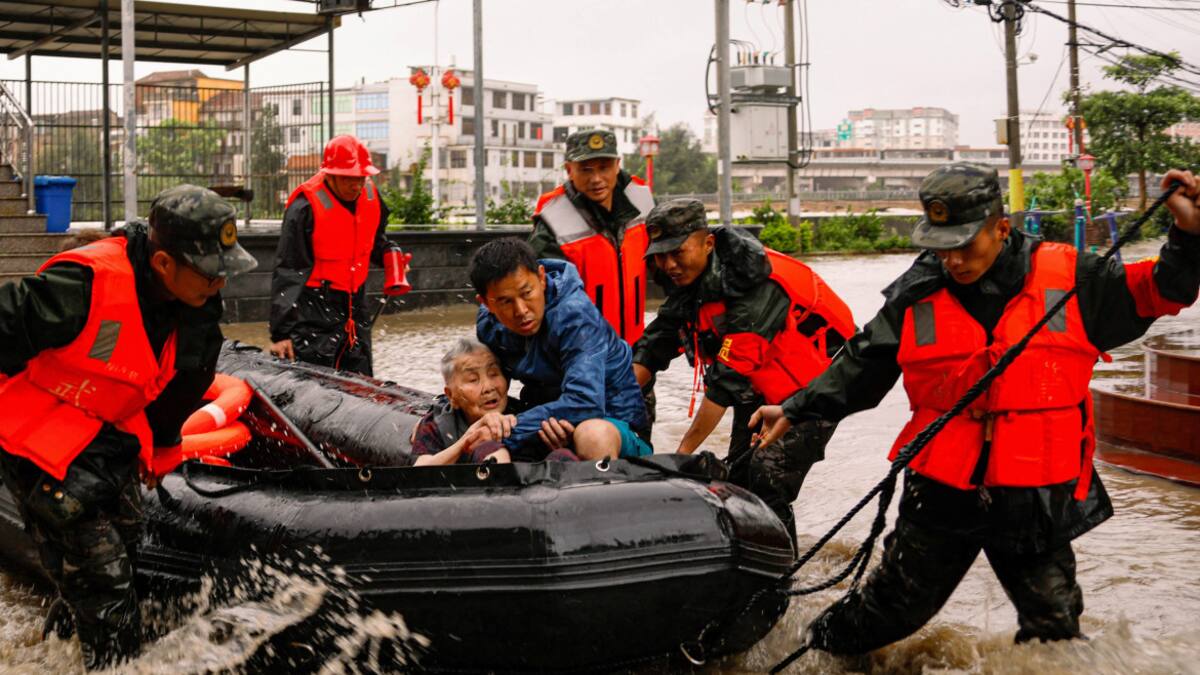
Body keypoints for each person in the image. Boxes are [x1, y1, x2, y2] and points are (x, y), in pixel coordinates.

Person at [751, 164, 1200, 656]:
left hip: (1035, 488)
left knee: (1054, 624)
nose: (954, 260)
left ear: (1000, 228)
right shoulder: (916, 293)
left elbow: (1164, 290)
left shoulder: (1072, 276)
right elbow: (861, 364)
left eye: (966, 244)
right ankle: (807, 654)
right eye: (943, 246)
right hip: (943, 485)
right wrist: (795, 408)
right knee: (891, 609)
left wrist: (1188, 233)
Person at [0, 185, 256, 669]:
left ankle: (57, 648)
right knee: (105, 585)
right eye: (209, 273)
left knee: (127, 545)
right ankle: (113, 661)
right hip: (41, 446)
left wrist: (162, 445)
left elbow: (189, 375)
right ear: (163, 264)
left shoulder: (199, 296)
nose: (219, 284)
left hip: (105, 435)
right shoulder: (83, 285)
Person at [630, 199, 856, 539]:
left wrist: (682, 454)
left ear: (707, 243)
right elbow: (653, 347)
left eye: (677, 252)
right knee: (737, 481)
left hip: (815, 392)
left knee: (766, 478)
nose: (669, 264)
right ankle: (742, 561)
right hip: (760, 391)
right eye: (660, 256)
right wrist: (608, 404)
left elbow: (723, 385)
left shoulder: (755, 286)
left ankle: (782, 577)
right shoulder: (691, 285)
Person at [471, 238, 651, 461]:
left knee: (592, 434)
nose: (521, 311)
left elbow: (586, 403)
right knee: (483, 432)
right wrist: (489, 421)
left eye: (527, 293)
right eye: (505, 302)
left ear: (542, 278)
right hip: (547, 422)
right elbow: (489, 388)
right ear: (486, 304)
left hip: (611, 424)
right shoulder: (489, 325)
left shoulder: (576, 318)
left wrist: (513, 428)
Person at [529, 129, 660, 427]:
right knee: (588, 452)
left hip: (635, 358)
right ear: (569, 171)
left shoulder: (643, 201)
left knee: (641, 453)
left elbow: (671, 272)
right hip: (577, 367)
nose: (596, 178)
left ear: (617, 164)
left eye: (603, 167)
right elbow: (548, 306)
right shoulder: (552, 221)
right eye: (585, 169)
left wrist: (654, 351)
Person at [268, 134, 411, 376]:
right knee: (316, 381)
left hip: (355, 303)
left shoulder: (371, 197)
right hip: (314, 307)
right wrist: (281, 334)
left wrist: (389, 257)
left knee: (360, 376)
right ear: (329, 175)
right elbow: (289, 271)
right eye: (347, 179)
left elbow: (375, 242)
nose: (355, 185)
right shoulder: (304, 208)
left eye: (360, 178)